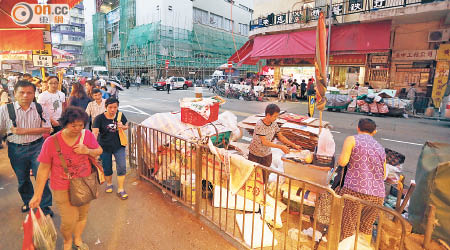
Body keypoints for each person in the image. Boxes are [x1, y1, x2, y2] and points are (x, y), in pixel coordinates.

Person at [29, 106, 103, 250]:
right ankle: (67, 241)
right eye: (73, 125)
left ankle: (78, 240)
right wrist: (37, 195)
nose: (77, 128)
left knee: (82, 215)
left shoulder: (86, 135)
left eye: (80, 125)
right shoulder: (51, 142)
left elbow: (99, 151)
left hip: (85, 183)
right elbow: (43, 169)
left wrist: (87, 150)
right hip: (61, 186)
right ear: (65, 123)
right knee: (69, 220)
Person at [0, 81, 53, 215]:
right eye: (21, 92)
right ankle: (28, 202)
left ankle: (45, 206)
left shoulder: (40, 108)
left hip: (37, 147)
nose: (25, 96)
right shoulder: (5, 110)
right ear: (15, 94)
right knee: (22, 179)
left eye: (29, 92)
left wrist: (22, 131)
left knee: (42, 177)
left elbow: (48, 129)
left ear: (34, 94)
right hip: (16, 149)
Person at [337, 118, 386, 241]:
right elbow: (384, 174)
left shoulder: (352, 139)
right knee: (366, 229)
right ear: (374, 131)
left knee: (348, 227)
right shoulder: (380, 147)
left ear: (358, 128)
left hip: (355, 191)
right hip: (378, 195)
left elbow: (343, 162)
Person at [248, 104, 301, 182]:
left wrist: (294, 145)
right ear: (268, 115)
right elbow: (265, 142)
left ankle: (264, 190)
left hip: (266, 154)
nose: (276, 118)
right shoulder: (260, 124)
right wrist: (281, 147)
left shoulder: (274, 124)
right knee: (253, 176)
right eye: (274, 116)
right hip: (255, 154)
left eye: (277, 116)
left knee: (265, 176)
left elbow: (281, 137)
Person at [92, 97, 129, 199]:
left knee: (121, 166)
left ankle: (121, 189)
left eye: (115, 107)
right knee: (107, 167)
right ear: (105, 107)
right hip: (104, 147)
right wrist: (93, 146)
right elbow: (95, 132)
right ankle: (109, 183)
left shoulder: (120, 115)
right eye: (110, 107)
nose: (113, 110)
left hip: (119, 145)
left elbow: (127, 126)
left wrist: (123, 126)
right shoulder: (99, 118)